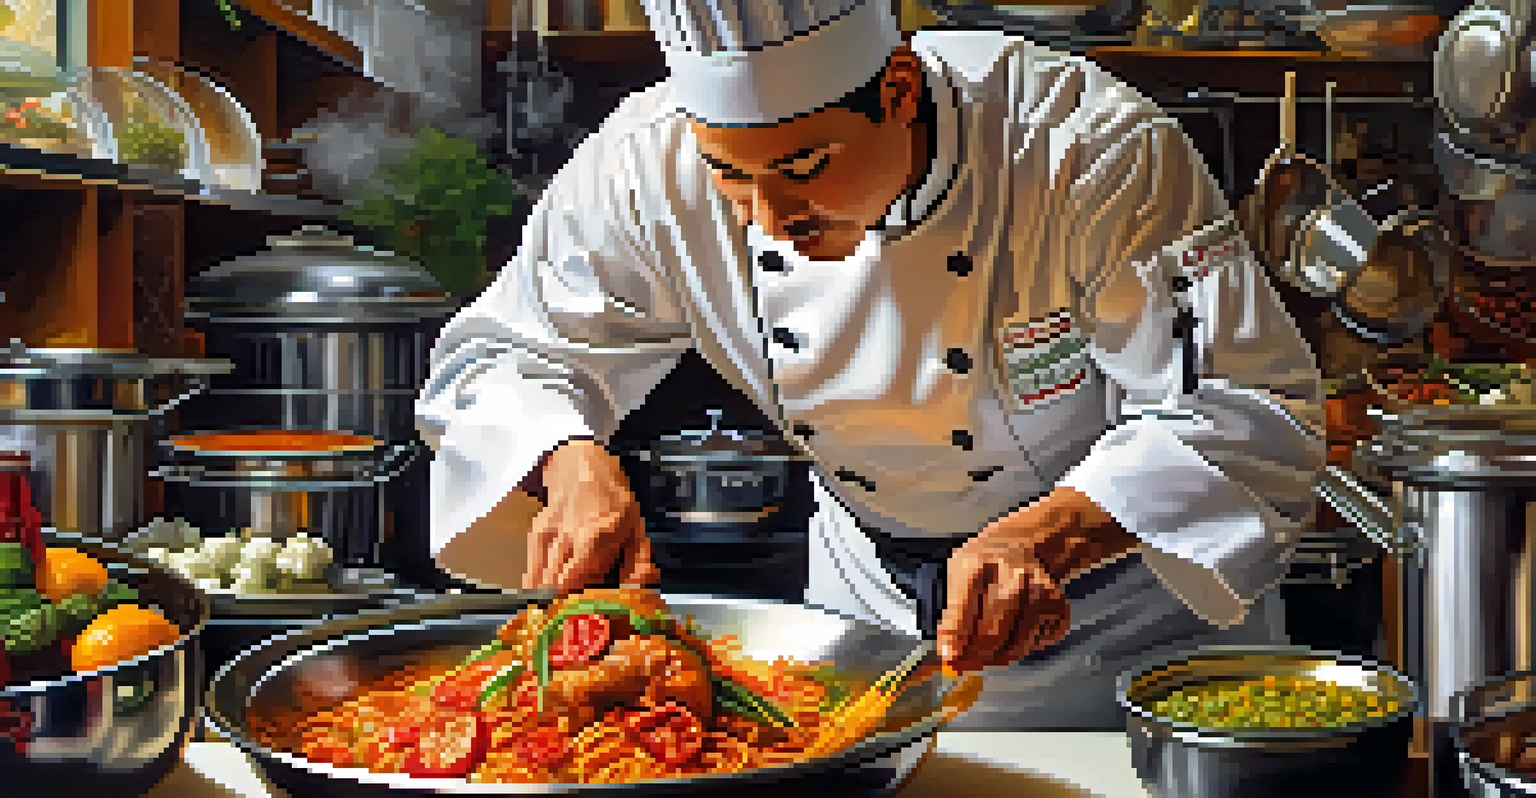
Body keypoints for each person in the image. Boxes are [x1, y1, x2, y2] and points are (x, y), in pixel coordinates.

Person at [415, 0, 1326, 730]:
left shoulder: (1080, 147)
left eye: (804, 165)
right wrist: (570, 462)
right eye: (731, 176)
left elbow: (1239, 408)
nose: (771, 218)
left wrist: (1042, 539)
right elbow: (499, 354)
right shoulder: (643, 163)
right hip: (869, 620)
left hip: (1133, 628)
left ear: (897, 88)